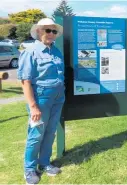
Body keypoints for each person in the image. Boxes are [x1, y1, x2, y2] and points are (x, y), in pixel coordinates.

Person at [17, 18, 65, 184]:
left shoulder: (56, 51)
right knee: (36, 135)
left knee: (50, 132)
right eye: (47, 30)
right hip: (40, 99)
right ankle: (29, 169)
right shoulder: (30, 52)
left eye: (54, 31)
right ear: (38, 32)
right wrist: (33, 106)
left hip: (58, 98)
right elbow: (25, 81)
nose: (51, 34)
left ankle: (44, 163)